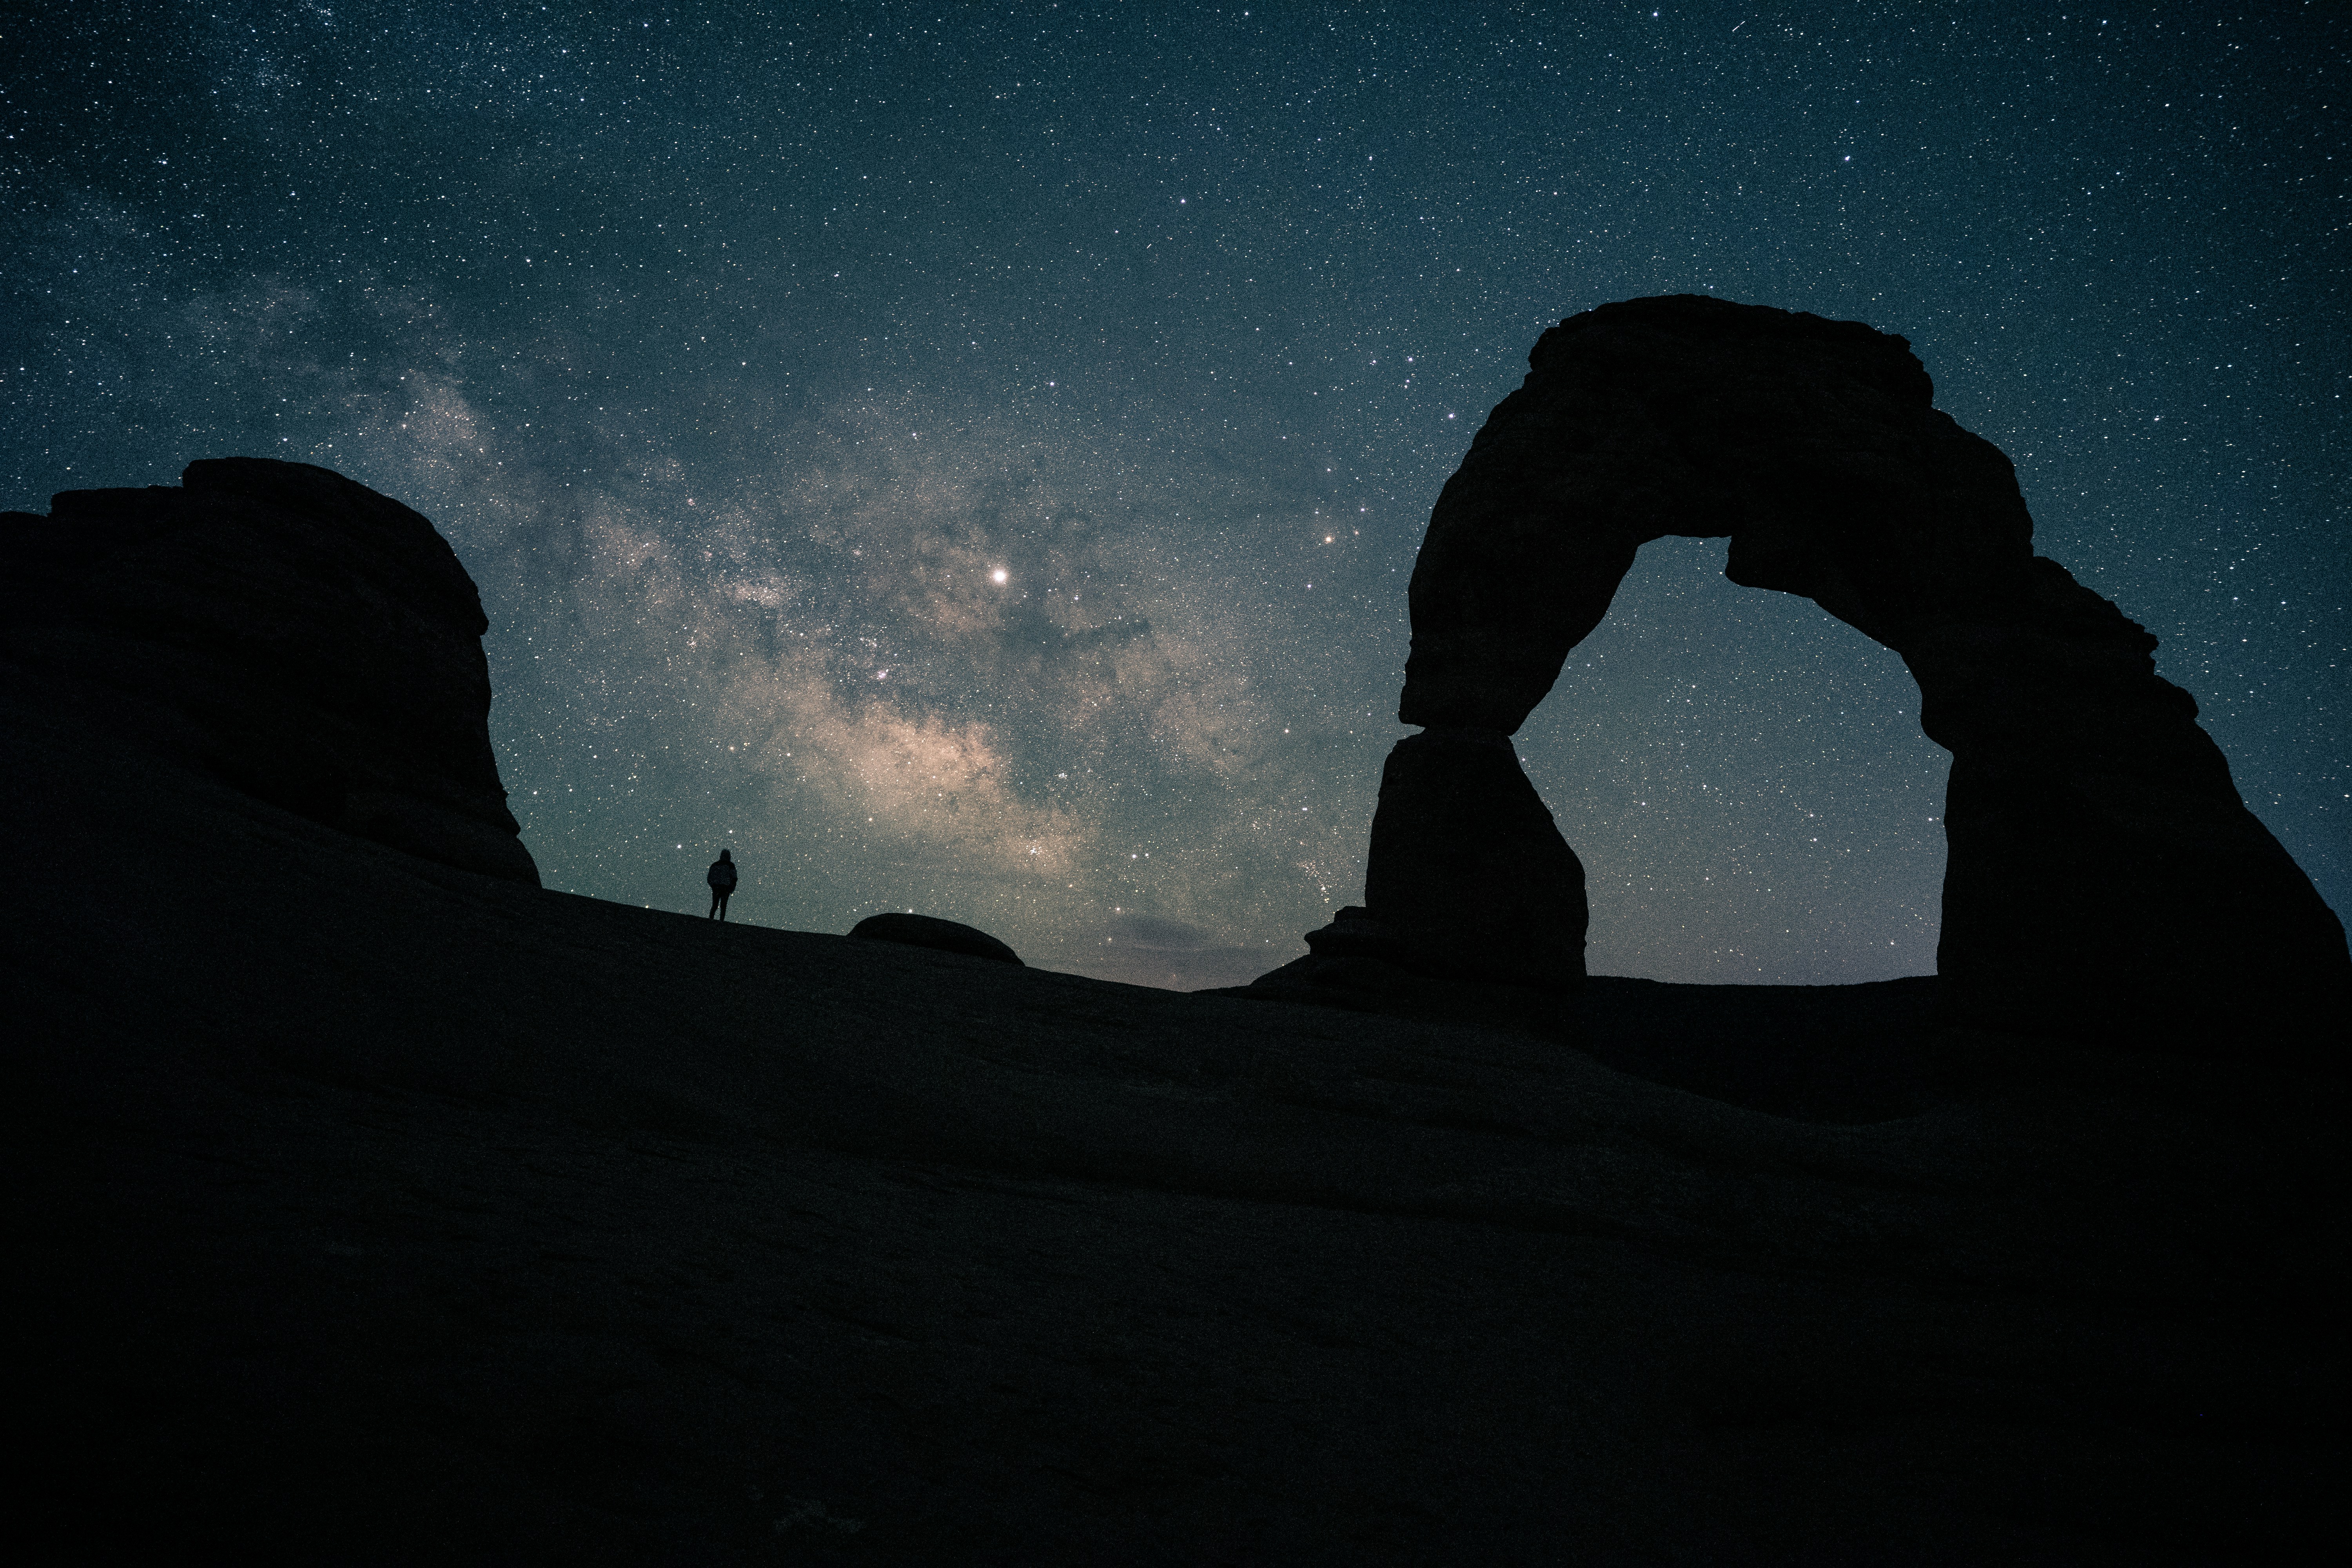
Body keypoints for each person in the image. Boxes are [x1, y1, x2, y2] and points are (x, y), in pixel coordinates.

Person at [706, 848, 738, 920]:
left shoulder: (715, 865)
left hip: (716, 888)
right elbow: (734, 878)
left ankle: (711, 920)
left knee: (715, 905)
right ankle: (721, 922)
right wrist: (732, 888)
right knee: (723, 906)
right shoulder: (731, 865)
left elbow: (709, 878)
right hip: (725, 888)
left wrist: (713, 886)